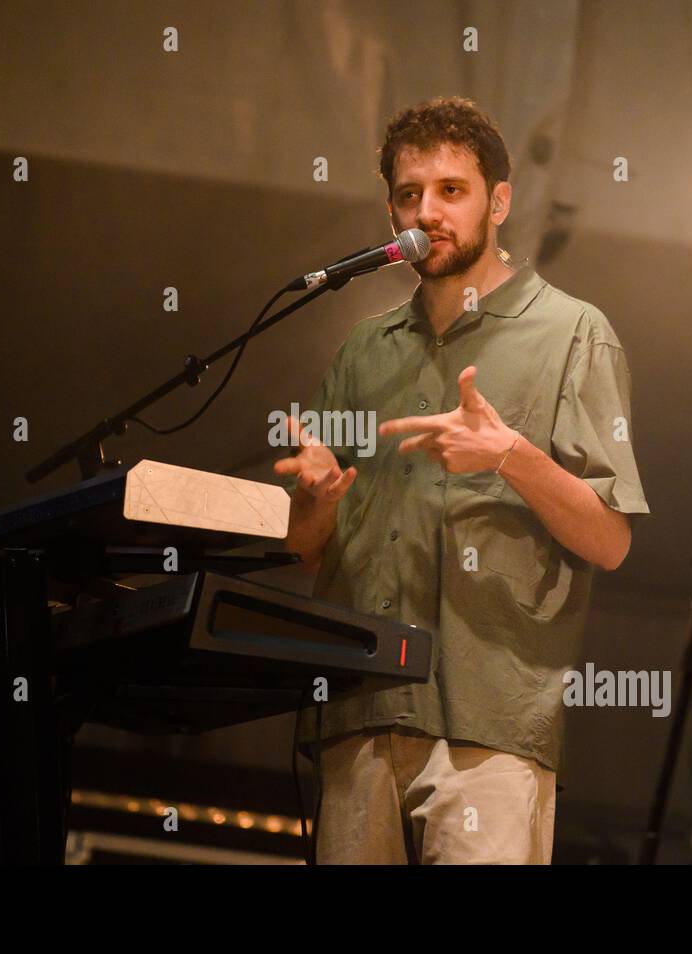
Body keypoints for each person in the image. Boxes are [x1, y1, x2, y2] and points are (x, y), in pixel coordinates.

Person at [274, 96, 651, 864]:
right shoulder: (362, 351)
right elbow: (307, 550)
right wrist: (312, 505)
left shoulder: (574, 333)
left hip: (492, 728)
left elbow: (610, 540)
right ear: (390, 212)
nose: (428, 211)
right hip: (357, 713)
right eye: (410, 195)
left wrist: (510, 453)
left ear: (500, 201)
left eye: (452, 190)